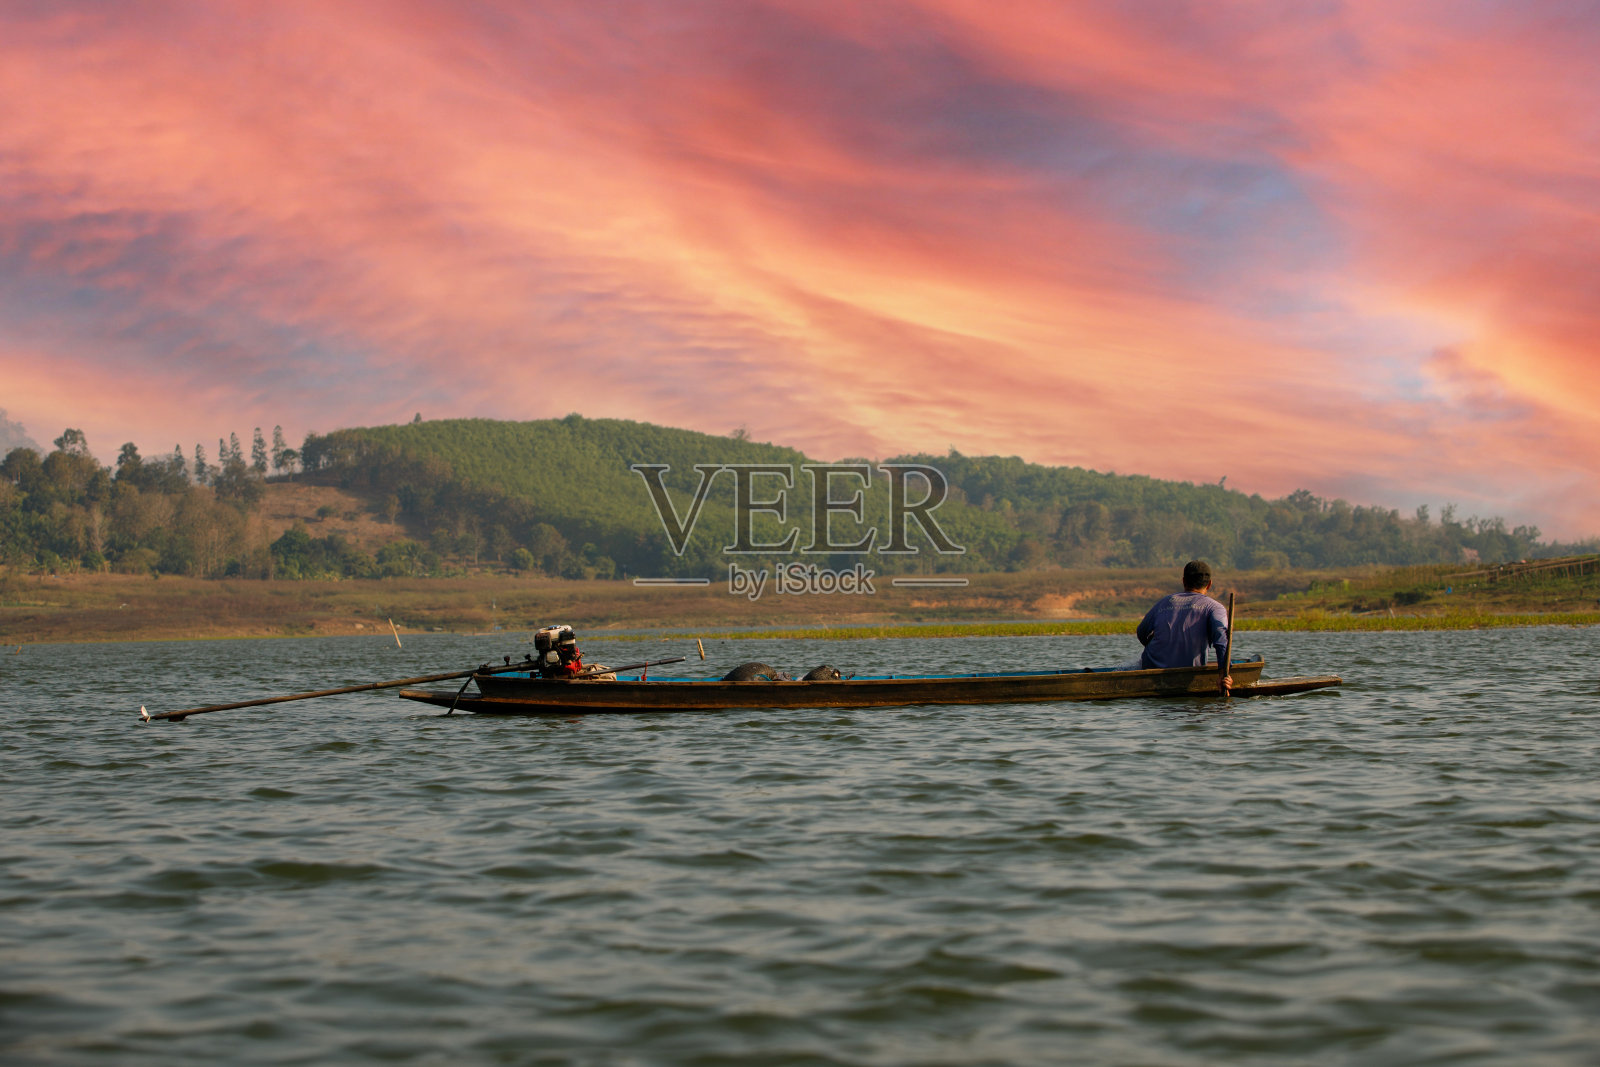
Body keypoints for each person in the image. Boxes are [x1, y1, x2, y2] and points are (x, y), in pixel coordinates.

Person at [1115, 560, 1231, 690]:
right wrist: (1223, 674)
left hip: (1150, 670)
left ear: (1183, 581)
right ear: (1209, 584)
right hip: (1187, 674)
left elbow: (1142, 632)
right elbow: (1221, 642)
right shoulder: (1215, 607)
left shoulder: (1165, 602)